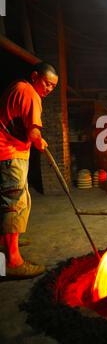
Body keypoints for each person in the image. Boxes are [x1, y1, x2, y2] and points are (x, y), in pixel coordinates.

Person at [0, 62, 58, 277]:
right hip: (8, 154)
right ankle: (12, 263)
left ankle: (6, 243)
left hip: (5, 152)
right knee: (14, 205)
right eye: (47, 83)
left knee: (9, 202)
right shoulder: (30, 94)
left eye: (53, 86)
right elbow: (34, 134)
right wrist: (40, 142)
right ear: (35, 76)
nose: (49, 89)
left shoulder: (17, 87)